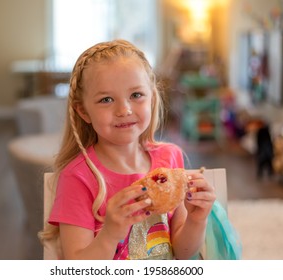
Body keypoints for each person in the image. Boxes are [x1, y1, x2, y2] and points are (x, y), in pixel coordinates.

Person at [39, 39, 216, 260]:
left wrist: (197, 219)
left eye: (136, 95)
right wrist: (110, 232)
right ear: (83, 111)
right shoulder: (78, 177)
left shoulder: (170, 157)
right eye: (106, 99)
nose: (124, 110)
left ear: (152, 98)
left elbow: (182, 254)